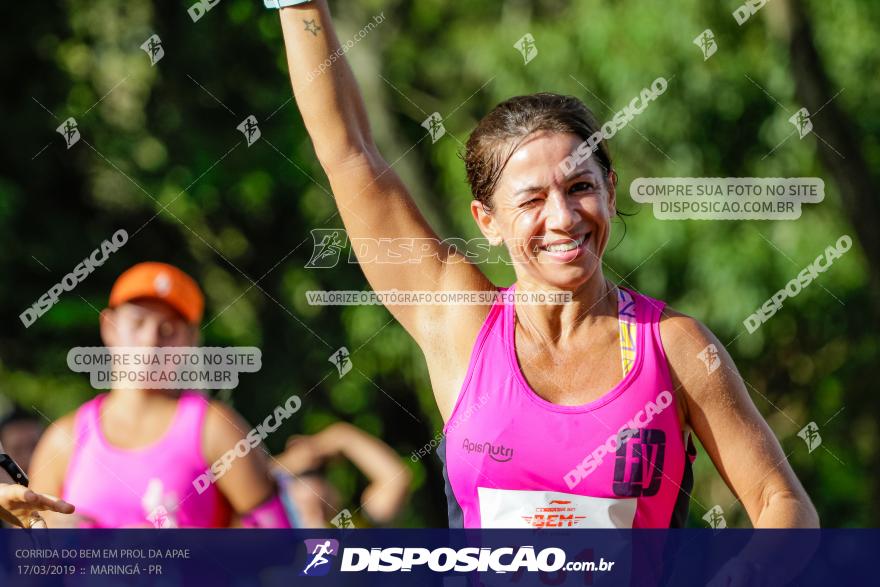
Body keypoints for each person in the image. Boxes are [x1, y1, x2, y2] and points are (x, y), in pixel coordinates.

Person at [271, 1, 819, 529]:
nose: (562, 218)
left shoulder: (673, 347)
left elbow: (780, 501)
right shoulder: (460, 321)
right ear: (487, 220)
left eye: (580, 187)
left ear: (610, 189)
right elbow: (348, 153)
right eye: (532, 200)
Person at [28, 262, 291, 528]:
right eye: (138, 323)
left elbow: (278, 544)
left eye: (168, 329)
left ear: (189, 339)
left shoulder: (216, 430)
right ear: (109, 326)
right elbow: (24, 558)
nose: (151, 340)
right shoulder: (64, 439)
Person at [274, 422, 411, 527]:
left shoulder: (352, 524)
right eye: (299, 513)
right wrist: (288, 462)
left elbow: (396, 479)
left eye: (323, 507)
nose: (318, 518)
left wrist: (335, 440)